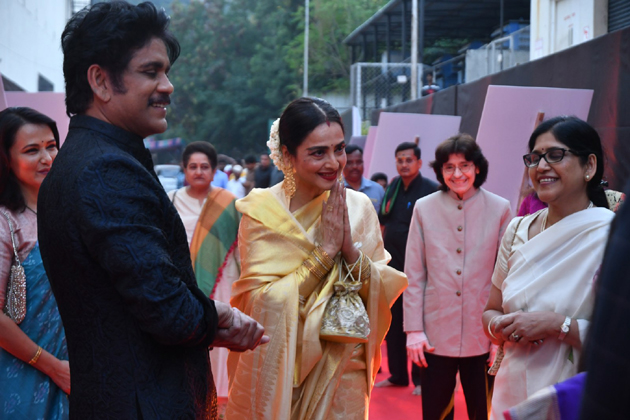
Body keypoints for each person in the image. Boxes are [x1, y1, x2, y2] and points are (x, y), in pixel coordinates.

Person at [37, 3, 266, 419]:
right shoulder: (105, 169)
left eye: (166, 72)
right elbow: (171, 312)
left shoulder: (89, 158)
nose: (168, 86)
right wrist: (219, 316)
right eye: (151, 71)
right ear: (100, 81)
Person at [225, 97, 407, 419]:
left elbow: (381, 291)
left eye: (339, 149)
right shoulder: (262, 212)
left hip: (344, 366)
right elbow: (258, 303)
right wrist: (325, 254)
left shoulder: (358, 207)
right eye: (318, 152)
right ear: (287, 155)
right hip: (284, 370)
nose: (334, 163)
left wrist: (350, 250)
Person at [482, 116, 613, 419]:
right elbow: (491, 310)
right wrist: (501, 327)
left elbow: (617, 338)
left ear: (589, 166)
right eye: (534, 158)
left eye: (555, 155)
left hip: (574, 395)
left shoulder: (610, 234)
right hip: (511, 389)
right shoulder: (516, 230)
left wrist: (557, 325)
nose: (541, 167)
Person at [404, 134, 512, 420]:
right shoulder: (424, 207)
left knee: (483, 410)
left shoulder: (500, 208)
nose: (457, 174)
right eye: (449, 167)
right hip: (435, 329)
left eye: (464, 165)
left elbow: (507, 275)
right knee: (436, 411)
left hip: (484, 329)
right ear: (440, 171)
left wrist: (499, 335)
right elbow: (414, 273)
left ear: (477, 167)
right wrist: (414, 330)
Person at [0, 107, 69, 419]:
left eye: (51, 146)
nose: (47, 158)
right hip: (22, 374)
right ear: (6, 159)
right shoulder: (6, 223)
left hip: (82, 370)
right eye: (32, 150)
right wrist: (54, 368)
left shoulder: (72, 210)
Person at [170, 143, 242, 399]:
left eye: (204, 167)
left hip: (223, 281)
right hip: (182, 281)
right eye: (193, 167)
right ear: (184, 170)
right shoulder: (171, 200)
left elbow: (242, 247)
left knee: (220, 336)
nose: (198, 172)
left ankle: (221, 396)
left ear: (214, 171)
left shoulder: (229, 203)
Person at [377, 141, 438, 394]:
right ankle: (398, 375)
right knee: (394, 321)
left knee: (419, 321)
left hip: (421, 267)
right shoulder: (392, 187)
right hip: (394, 265)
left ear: (419, 163)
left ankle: (422, 379)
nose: (404, 164)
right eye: (400, 160)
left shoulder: (431, 190)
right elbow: (384, 221)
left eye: (409, 160)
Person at [343, 144, 385, 212]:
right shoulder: (334, 190)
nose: (354, 166)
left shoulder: (378, 190)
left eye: (358, 162)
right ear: (342, 165)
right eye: (349, 163)